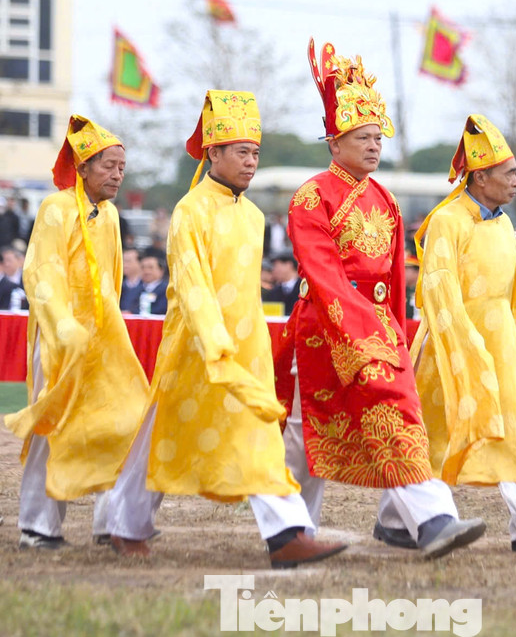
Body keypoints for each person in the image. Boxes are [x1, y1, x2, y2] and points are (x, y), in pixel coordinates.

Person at [101, 90, 346, 567]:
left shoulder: (254, 216)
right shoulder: (190, 211)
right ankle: (123, 524)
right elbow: (192, 285)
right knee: (159, 432)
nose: (251, 162)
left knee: (255, 436)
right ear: (213, 153)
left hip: (244, 352)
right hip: (195, 346)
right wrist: (214, 344)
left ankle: (286, 535)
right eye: (241, 152)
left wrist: (247, 349)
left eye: (255, 153)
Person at [276, 40, 485, 560]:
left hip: (376, 332)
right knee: (303, 440)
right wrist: (360, 328)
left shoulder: (385, 199)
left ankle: (432, 520)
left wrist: (392, 329)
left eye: (377, 138)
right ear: (335, 142)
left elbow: (393, 279)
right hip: (324, 331)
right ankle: (292, 533)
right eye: (362, 138)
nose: (373, 146)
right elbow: (322, 274)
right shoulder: (312, 196)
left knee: (395, 416)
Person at [409, 114, 516, 552]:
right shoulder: (448, 220)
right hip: (451, 346)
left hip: (502, 346)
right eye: (510, 173)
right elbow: (437, 287)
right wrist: (462, 346)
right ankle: (403, 520)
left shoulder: (503, 223)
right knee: (435, 435)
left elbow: (514, 294)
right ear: (481, 177)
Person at [3, 116, 148, 549]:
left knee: (123, 421)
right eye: (109, 165)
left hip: (104, 340)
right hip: (58, 340)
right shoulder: (56, 208)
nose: (117, 174)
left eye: (122, 167)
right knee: (53, 426)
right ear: (82, 166)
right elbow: (41, 271)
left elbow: (115, 280)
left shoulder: (112, 215)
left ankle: (111, 522)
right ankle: (38, 525)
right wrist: (63, 325)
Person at [120, 247, 144, 314]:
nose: (124, 264)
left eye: (128, 261)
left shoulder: (147, 286)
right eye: (123, 261)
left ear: (140, 262)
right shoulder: (118, 285)